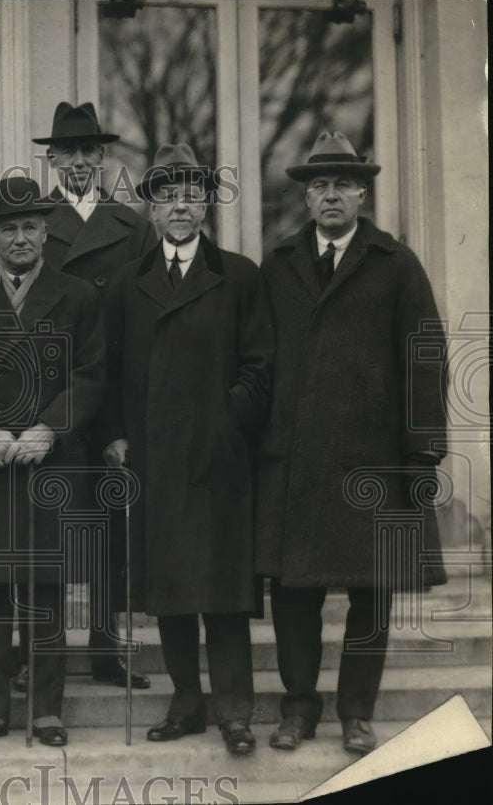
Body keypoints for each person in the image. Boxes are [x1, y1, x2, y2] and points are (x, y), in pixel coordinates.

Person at [256, 131, 447, 756]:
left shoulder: (396, 263)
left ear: (361, 194)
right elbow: (258, 360)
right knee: (293, 594)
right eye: (319, 186)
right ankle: (298, 710)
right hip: (297, 461)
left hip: (375, 461)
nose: (330, 196)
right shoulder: (279, 265)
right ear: (306, 199)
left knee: (371, 593)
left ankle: (357, 714)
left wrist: (423, 452)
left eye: (342, 185)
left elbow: (426, 358)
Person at [100, 143, 275, 756]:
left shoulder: (239, 276)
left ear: (207, 204)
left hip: (220, 462)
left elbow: (259, 366)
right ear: (150, 210)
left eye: (191, 194)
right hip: (155, 460)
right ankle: (186, 703)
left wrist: (227, 423)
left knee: (223, 594)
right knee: (170, 590)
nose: (180, 206)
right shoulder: (129, 284)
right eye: (167, 195)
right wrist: (117, 435)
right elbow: (112, 370)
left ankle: (234, 712)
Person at [0, 176, 105, 748]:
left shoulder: (79, 295)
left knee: (46, 586)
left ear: (46, 233)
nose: (19, 239)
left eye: (30, 228)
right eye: (8, 229)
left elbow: (91, 375)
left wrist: (51, 427)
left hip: (51, 463)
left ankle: (46, 709)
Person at [22, 101, 156, 691]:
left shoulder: (132, 226)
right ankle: (34, 655)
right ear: (52, 160)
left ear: (103, 159)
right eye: (67, 153)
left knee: (108, 529)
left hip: (109, 398)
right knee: (39, 530)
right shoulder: (30, 223)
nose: (78, 162)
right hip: (47, 397)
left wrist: (126, 416)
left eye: (88, 152)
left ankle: (106, 647)